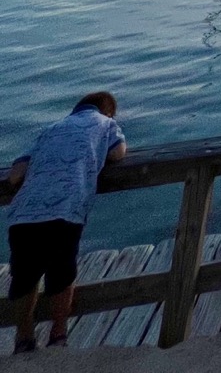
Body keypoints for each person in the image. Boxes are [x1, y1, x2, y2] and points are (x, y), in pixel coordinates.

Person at [4, 93, 127, 353]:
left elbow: (15, 175)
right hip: (65, 208)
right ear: (107, 111)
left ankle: (24, 339)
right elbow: (117, 153)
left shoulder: (50, 129)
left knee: (24, 278)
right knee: (61, 275)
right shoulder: (105, 124)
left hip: (24, 213)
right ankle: (58, 336)